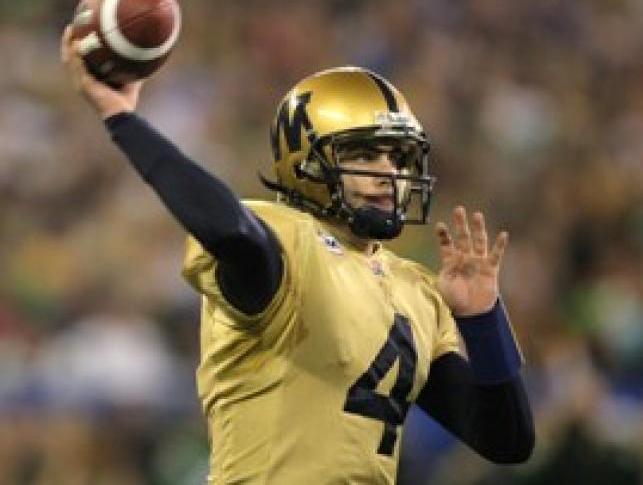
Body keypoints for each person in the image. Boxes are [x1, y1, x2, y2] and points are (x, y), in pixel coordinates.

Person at [61, 25, 535, 484]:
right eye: (366, 156)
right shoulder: (288, 240)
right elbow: (233, 233)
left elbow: (507, 442)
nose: (388, 174)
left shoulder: (416, 289)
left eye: (398, 158)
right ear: (307, 160)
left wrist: (483, 319)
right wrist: (124, 121)